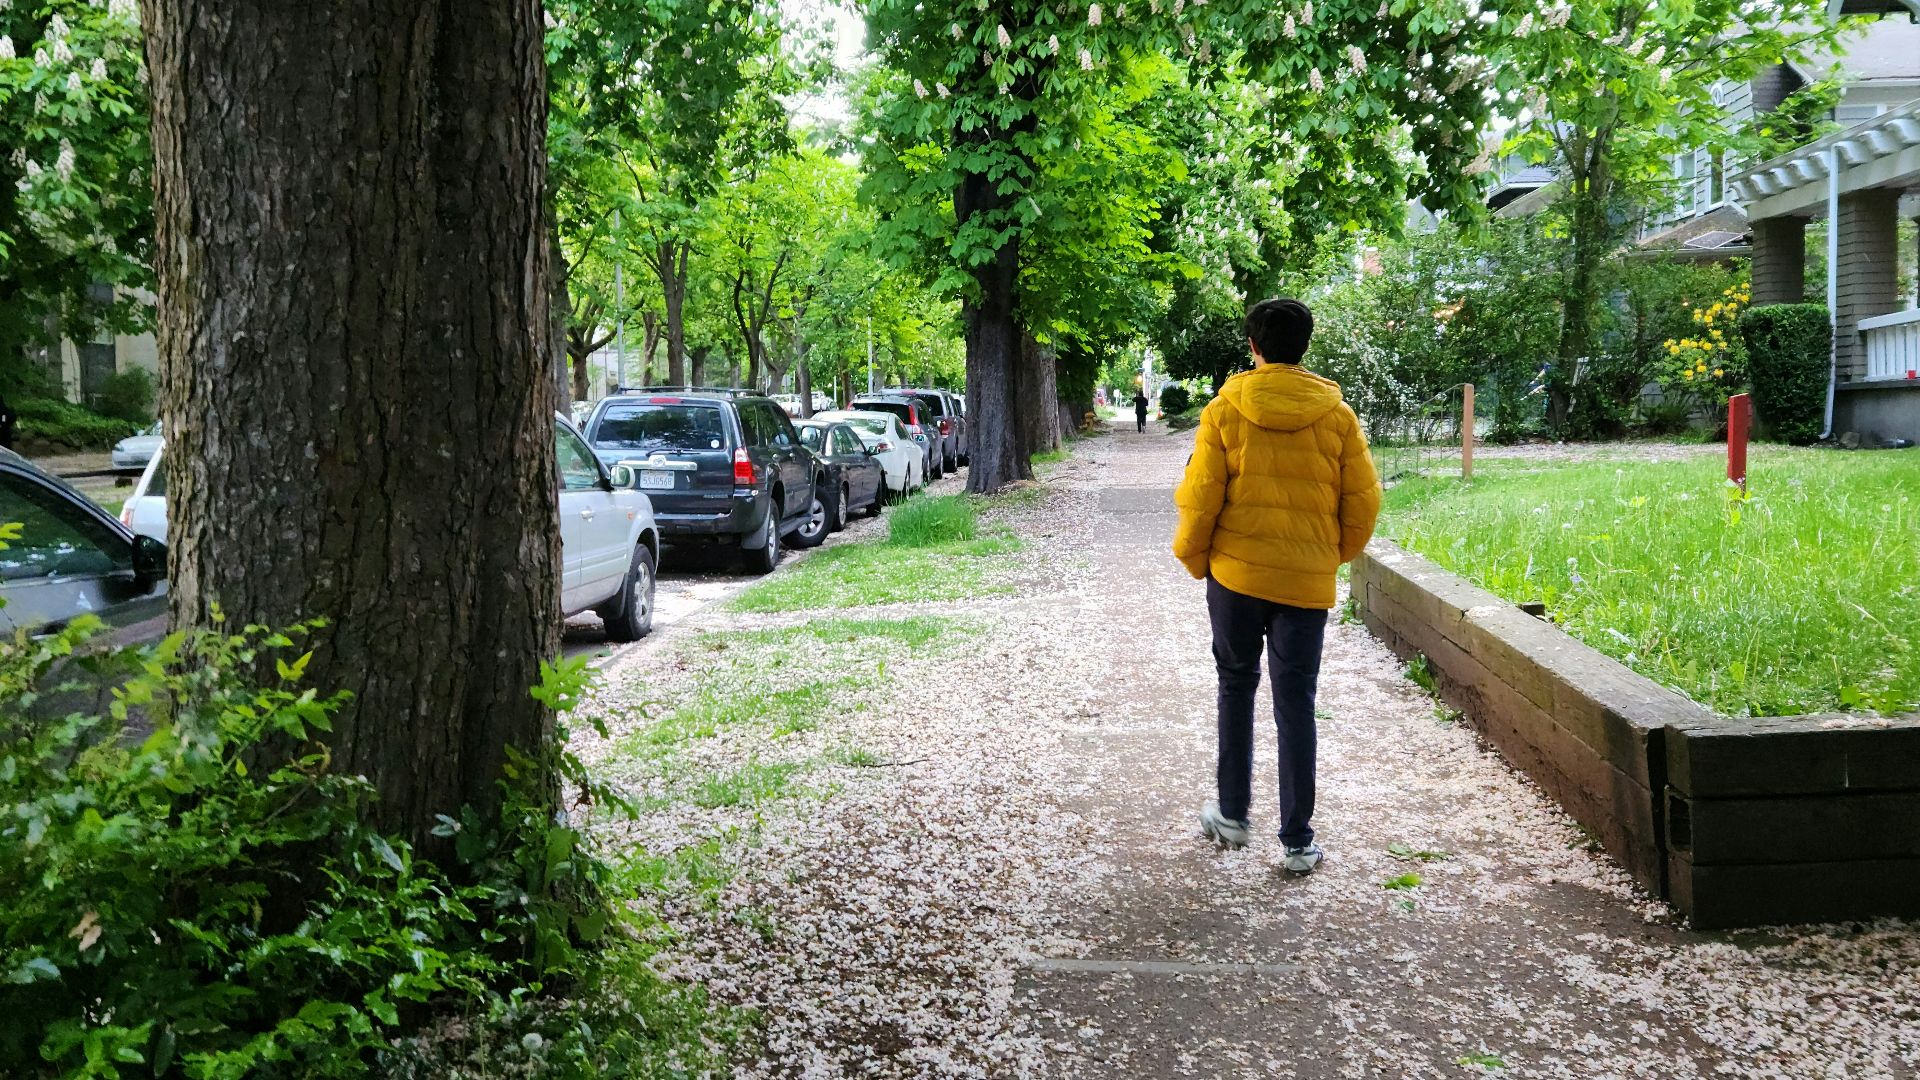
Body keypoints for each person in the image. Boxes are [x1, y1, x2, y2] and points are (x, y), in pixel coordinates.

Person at [1171, 298, 1380, 875]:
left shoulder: (1224, 411)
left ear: (1254, 347)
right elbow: (1363, 501)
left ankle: (1234, 813)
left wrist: (1194, 558)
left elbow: (1201, 496)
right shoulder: (1337, 415)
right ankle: (1297, 840)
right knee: (1297, 701)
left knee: (1236, 685)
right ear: (1304, 346)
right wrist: (1326, 559)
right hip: (1304, 585)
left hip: (1235, 576)